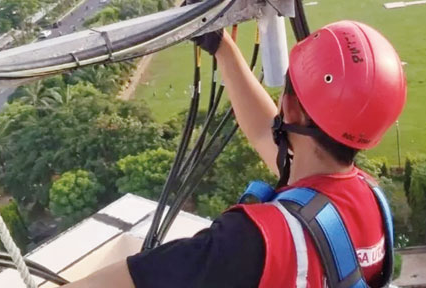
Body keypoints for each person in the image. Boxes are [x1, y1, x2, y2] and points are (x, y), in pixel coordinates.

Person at [67, 20, 407, 288]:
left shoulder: (252, 242)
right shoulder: (367, 199)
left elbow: (130, 280)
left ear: (288, 107)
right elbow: (265, 134)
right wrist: (223, 50)